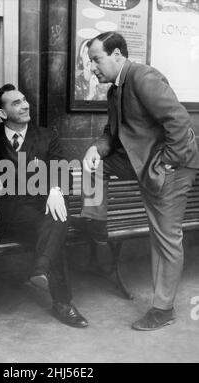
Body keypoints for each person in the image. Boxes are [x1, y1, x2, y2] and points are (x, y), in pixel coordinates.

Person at [82, 32, 199, 331]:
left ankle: (163, 310)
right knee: (94, 165)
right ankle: (96, 227)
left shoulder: (143, 77)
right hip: (143, 162)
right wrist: (97, 148)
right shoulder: (114, 90)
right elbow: (111, 132)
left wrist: (168, 162)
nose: (93, 67)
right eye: (91, 61)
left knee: (165, 238)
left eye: (97, 59)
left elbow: (179, 122)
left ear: (117, 54)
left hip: (170, 165)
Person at [0, 84, 88, 328]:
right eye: (16, 102)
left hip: (39, 208)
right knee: (54, 228)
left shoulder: (47, 135)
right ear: (3, 113)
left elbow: (62, 169)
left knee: (57, 215)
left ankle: (41, 270)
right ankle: (62, 302)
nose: (25, 104)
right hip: (6, 211)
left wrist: (56, 190)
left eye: (24, 99)